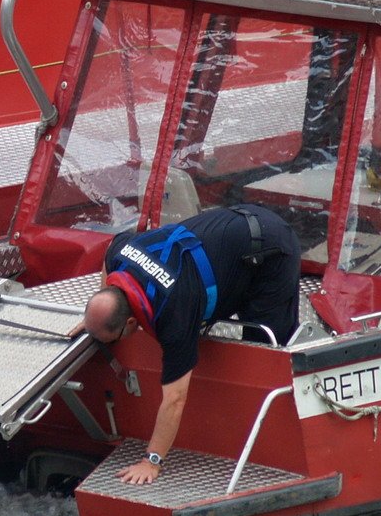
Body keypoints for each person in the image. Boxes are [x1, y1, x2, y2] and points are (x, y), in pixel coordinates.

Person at [82, 205, 301, 485]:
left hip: (270, 246)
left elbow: (175, 399)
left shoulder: (174, 315)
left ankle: (276, 436)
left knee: (266, 347)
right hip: (228, 225)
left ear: (130, 324)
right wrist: (95, 322)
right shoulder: (120, 253)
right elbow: (110, 248)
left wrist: (152, 461)